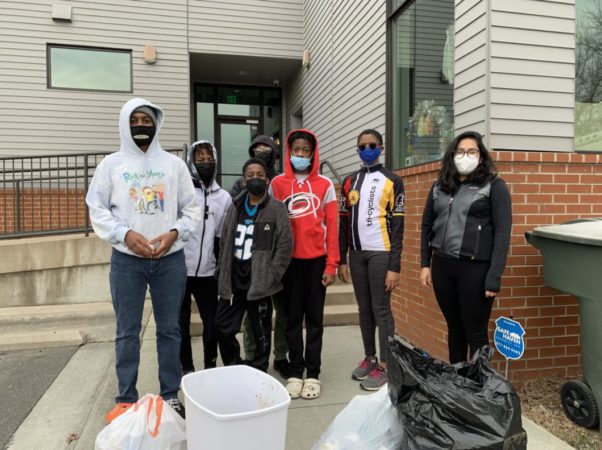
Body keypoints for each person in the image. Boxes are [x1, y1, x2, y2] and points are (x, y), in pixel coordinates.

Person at [86, 98, 201, 422]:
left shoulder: (174, 166)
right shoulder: (111, 165)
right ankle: (125, 398)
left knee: (169, 330)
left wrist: (174, 233)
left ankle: (169, 395)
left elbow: (191, 210)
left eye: (147, 119)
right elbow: (97, 207)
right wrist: (124, 235)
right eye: (134, 119)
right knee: (127, 331)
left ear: (157, 123)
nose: (141, 125)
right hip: (127, 261)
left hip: (169, 259)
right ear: (124, 123)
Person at [419, 130, 512, 363]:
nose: (465, 155)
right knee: (455, 329)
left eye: (471, 151)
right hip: (443, 266)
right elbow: (426, 226)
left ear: (480, 157)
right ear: (452, 155)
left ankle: (479, 389)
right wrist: (424, 264)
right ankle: (457, 382)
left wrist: (494, 277)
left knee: (476, 332)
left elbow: (502, 233)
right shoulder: (439, 187)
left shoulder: (494, 186)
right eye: (460, 151)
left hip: (476, 270)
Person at [269, 129, 339, 400]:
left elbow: (332, 227)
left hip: (316, 262)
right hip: (288, 263)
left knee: (315, 320)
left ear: (313, 153)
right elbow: (271, 225)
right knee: (292, 319)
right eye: (296, 150)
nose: (300, 155)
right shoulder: (277, 184)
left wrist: (331, 264)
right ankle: (295, 371)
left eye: (305, 150)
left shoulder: (324, 185)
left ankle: (313, 373)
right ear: (289, 151)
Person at [338, 129, 405, 390]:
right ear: (357, 149)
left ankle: (386, 367)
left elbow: (399, 227)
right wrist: (343, 259)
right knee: (363, 309)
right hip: (356, 254)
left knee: (381, 309)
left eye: (372, 145)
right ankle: (370, 357)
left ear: (381, 148)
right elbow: (343, 224)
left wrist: (394, 266)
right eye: (362, 145)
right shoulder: (348, 181)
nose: (368, 149)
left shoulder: (393, 180)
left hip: (381, 253)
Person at [215, 158, 293, 372]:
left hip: (259, 281)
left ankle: (258, 369)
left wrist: (272, 274)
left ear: (267, 179)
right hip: (233, 279)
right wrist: (222, 270)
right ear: (243, 180)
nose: (255, 178)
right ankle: (234, 365)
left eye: (260, 174)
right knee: (223, 327)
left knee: (261, 331)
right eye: (250, 175)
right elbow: (224, 241)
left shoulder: (276, 209)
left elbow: (285, 245)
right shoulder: (235, 206)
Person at [178, 140, 232, 374]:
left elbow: (222, 237)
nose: (204, 162)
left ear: (215, 160)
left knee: (212, 325)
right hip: (181, 270)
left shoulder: (224, 197)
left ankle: (210, 366)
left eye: (208, 158)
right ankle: (186, 369)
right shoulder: (184, 193)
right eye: (199, 159)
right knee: (181, 325)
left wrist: (221, 270)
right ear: (191, 161)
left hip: (208, 273)